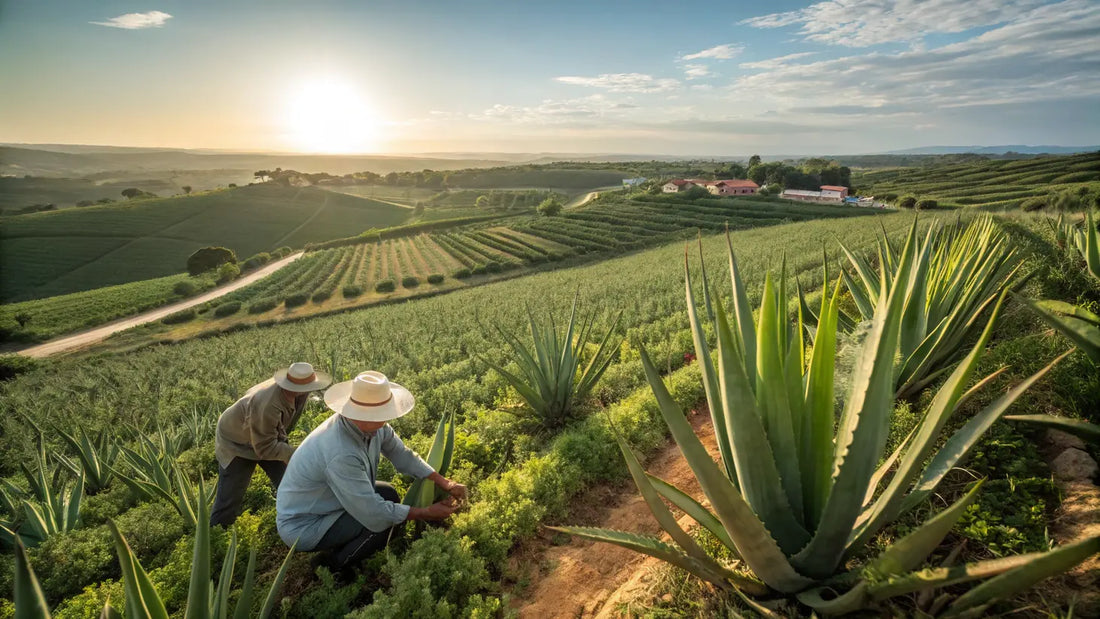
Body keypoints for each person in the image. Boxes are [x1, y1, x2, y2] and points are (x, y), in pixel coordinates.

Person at [276, 370, 466, 570]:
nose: (385, 420)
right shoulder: (340, 452)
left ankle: (341, 545)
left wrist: (444, 482)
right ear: (358, 413)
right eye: (380, 414)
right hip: (305, 523)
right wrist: (426, 512)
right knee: (384, 524)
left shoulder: (372, 425)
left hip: (329, 502)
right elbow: (373, 512)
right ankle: (332, 566)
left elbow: (401, 454)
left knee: (388, 494)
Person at [211, 362, 332, 527]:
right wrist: (295, 454)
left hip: (269, 436)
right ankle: (216, 535)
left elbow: (280, 428)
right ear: (292, 386)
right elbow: (265, 448)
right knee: (230, 497)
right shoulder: (267, 403)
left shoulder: (300, 392)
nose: (311, 388)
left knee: (289, 481)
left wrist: (285, 448)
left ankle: (300, 521)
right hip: (237, 443)